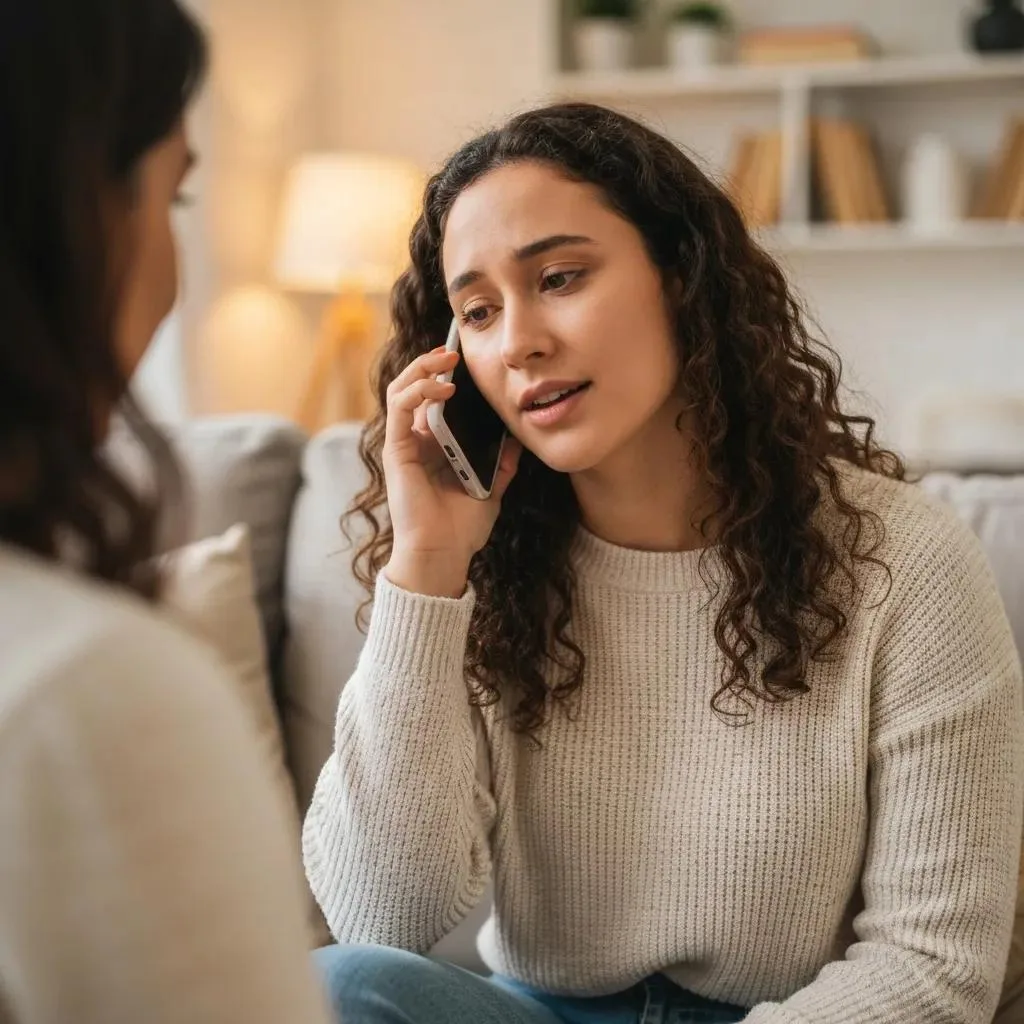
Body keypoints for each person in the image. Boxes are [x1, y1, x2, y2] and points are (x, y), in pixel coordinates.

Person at [304, 102, 1024, 1024]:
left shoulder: (907, 560)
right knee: (340, 987)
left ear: (682, 277)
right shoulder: (486, 569)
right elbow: (381, 916)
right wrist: (428, 567)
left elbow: (935, 967)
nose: (518, 339)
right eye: (477, 312)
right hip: (539, 1010)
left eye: (559, 277)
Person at [0, 2, 331, 1021]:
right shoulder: (87, 690)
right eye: (174, 194)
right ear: (73, 219)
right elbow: (385, 907)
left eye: (561, 277)